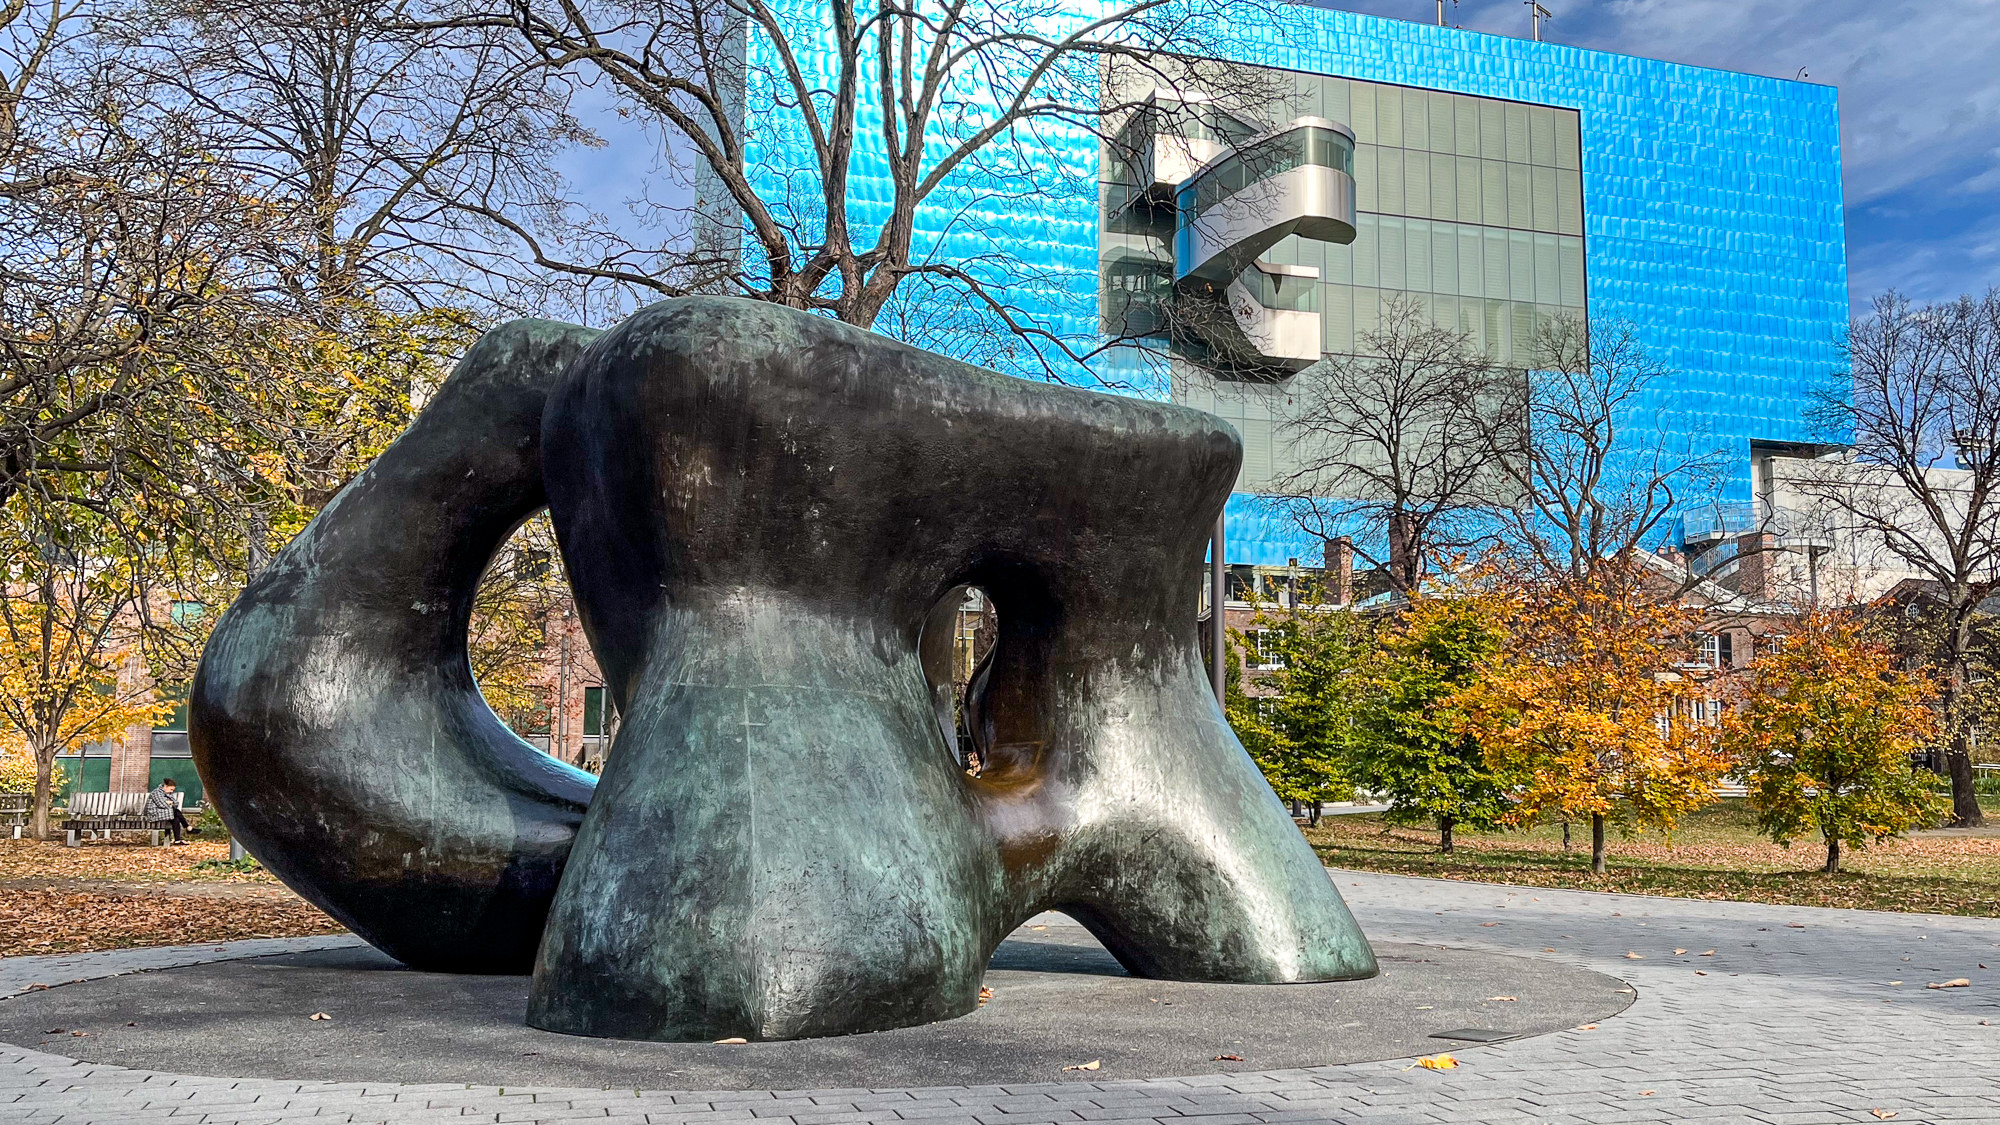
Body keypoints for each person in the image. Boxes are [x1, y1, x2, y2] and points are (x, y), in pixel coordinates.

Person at [146, 778, 191, 845]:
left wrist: (170, 803)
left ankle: (177, 841)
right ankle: (187, 827)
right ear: (166, 787)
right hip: (155, 814)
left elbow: (176, 803)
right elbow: (162, 804)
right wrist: (169, 803)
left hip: (164, 813)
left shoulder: (167, 793)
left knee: (176, 819)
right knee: (176, 812)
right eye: (171, 789)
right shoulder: (156, 793)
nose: (172, 791)